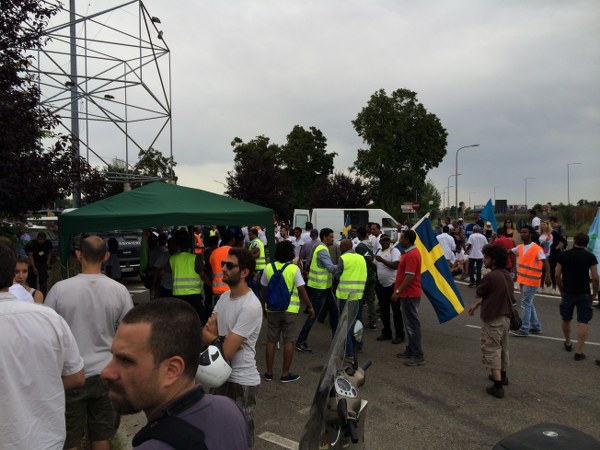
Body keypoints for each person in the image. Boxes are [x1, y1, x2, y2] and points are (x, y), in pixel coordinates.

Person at [101, 298, 249, 449]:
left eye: (126, 360)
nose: (106, 372)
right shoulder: (231, 410)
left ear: (172, 370)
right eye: (113, 356)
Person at [45, 235, 134, 450]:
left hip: (69, 374)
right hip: (105, 372)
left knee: (70, 438)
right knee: (102, 435)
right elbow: (129, 333)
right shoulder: (119, 290)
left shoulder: (59, 290)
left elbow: (46, 332)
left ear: (78, 255)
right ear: (106, 256)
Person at [0, 241, 84, 449]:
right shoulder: (49, 318)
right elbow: (76, 376)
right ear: (11, 273)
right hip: (45, 439)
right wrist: (39, 386)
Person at [202, 247, 262, 448]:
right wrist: (221, 340)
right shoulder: (224, 298)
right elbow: (204, 334)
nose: (223, 269)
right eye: (223, 264)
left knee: (239, 440)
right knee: (216, 436)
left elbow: (226, 352)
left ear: (244, 272)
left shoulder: (251, 305)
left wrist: (215, 339)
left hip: (241, 381)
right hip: (218, 377)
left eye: (229, 265)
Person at [260, 240, 314, 382]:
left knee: (271, 340)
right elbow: (302, 290)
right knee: (289, 341)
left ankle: (269, 373)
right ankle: (285, 374)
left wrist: (263, 307)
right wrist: (310, 306)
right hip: (290, 310)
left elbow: (263, 290)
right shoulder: (293, 269)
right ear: (290, 254)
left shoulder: (268, 268)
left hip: (272, 309)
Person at [468, 244, 513, 399]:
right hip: (506, 316)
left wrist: (477, 301)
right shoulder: (506, 275)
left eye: (486, 257)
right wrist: (477, 304)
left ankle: (497, 385)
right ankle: (503, 375)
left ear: (493, 260)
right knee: (503, 347)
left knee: (492, 348)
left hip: (493, 317)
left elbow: (479, 292)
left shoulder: (491, 276)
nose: (484, 259)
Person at [295, 227, 340, 353]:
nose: (333, 239)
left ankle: (336, 340)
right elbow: (331, 268)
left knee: (334, 313)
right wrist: (344, 265)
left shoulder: (320, 247)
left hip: (324, 287)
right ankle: (300, 341)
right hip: (320, 288)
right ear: (324, 237)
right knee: (313, 315)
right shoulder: (322, 250)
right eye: (331, 237)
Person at [555, 233, 598, 361]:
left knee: (566, 318)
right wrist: (594, 293)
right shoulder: (590, 257)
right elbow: (595, 277)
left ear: (574, 241)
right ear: (587, 243)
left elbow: (557, 274)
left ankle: (568, 342)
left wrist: (561, 289)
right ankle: (579, 352)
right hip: (584, 292)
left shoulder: (564, 255)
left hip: (568, 291)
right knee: (583, 321)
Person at [510, 225, 551, 337]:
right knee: (528, 303)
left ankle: (524, 329)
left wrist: (548, 276)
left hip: (532, 281)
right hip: (523, 280)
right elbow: (510, 251)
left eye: (525, 232)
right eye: (522, 232)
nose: (523, 234)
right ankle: (536, 326)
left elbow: (545, 262)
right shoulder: (520, 247)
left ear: (530, 234)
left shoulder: (536, 248)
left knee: (525, 304)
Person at [392, 230, 425, 367]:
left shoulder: (412, 254)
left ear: (407, 240)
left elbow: (410, 276)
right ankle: (411, 349)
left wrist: (398, 291)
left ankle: (417, 355)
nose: (399, 240)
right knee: (409, 324)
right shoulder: (408, 253)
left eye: (401, 238)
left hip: (410, 294)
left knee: (412, 325)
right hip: (407, 294)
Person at [336, 239, 367, 361]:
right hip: (358, 295)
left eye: (341, 246)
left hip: (346, 296)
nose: (340, 248)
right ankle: (358, 344)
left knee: (346, 324)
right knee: (357, 321)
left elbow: (338, 275)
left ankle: (349, 353)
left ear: (346, 246)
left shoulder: (343, 258)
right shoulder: (361, 258)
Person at [170, 229, 209, 324]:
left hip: (178, 295)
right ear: (189, 246)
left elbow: (162, 272)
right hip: (193, 296)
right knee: (201, 319)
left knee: (179, 320)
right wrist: (212, 285)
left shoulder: (172, 259)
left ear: (178, 246)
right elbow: (203, 275)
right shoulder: (194, 258)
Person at [374, 234, 404, 344]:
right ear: (380, 242)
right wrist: (369, 261)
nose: (386, 242)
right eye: (384, 240)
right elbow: (376, 267)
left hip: (393, 284)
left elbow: (396, 265)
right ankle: (387, 332)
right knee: (384, 310)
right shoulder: (378, 252)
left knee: (396, 311)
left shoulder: (394, 251)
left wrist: (382, 260)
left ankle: (400, 334)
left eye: (387, 240)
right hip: (381, 284)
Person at [355, 226, 378, 330]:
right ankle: (373, 322)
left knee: (360, 300)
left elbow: (362, 261)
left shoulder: (360, 247)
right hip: (372, 275)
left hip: (364, 275)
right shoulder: (371, 243)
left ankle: (358, 322)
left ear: (359, 234)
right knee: (370, 301)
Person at [25, 230, 53, 295]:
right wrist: (34, 267)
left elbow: (50, 252)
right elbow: (30, 255)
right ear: (37, 238)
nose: (41, 241)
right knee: (32, 282)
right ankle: (32, 295)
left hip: (43, 263)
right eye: (39, 239)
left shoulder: (48, 243)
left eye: (43, 240)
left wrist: (48, 262)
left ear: (45, 239)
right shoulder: (31, 243)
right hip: (33, 263)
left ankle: (43, 295)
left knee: (43, 281)